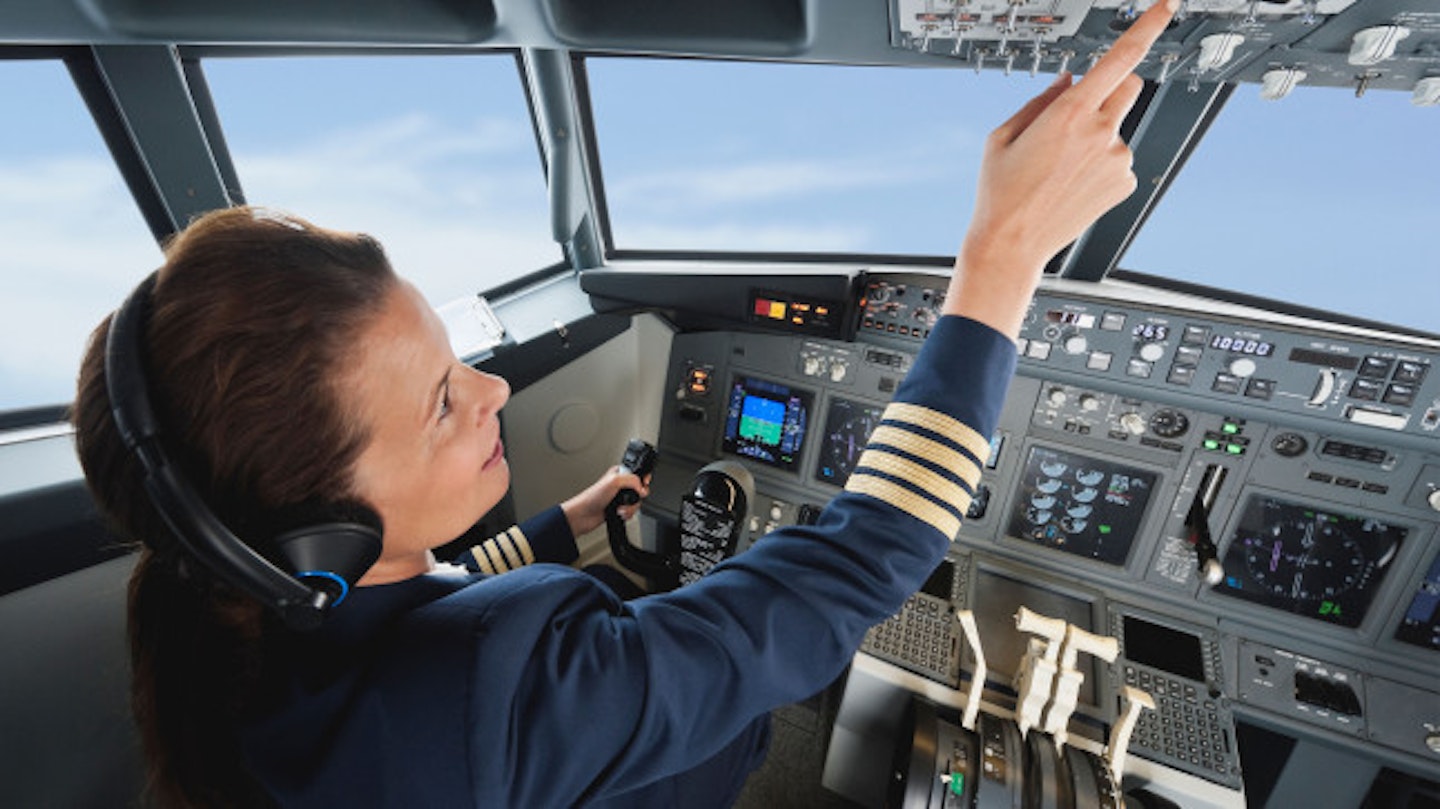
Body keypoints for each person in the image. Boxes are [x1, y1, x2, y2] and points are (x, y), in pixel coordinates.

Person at [71, 2, 1177, 806]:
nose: (493, 388)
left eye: (457, 357)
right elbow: (849, 568)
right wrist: (1001, 260)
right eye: (442, 404)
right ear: (321, 531)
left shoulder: (241, 620)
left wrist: (573, 521)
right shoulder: (504, 695)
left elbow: (414, 605)